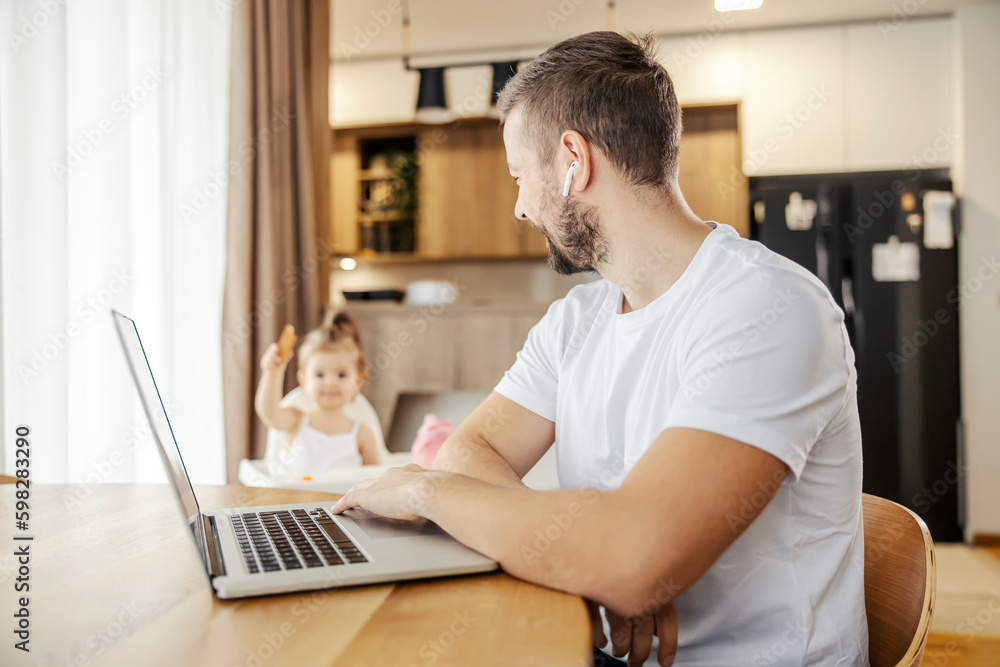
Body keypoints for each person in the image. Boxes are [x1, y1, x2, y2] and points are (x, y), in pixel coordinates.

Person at [332, 31, 868, 666]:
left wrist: (423, 493)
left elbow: (631, 563)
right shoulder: (576, 320)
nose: (520, 208)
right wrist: (586, 555)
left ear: (572, 161)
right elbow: (468, 453)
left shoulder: (767, 308)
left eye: (519, 176)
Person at [255, 311, 380, 472]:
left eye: (341, 375)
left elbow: (377, 481)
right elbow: (269, 413)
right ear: (304, 380)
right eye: (320, 375)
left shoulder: (362, 434)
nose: (331, 382)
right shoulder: (296, 421)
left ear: (358, 380)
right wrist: (272, 374)